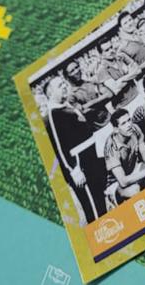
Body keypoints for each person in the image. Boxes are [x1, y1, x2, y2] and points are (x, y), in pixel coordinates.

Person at [43, 77, 106, 223]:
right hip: (80, 168)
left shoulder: (67, 107)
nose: (65, 86)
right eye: (60, 86)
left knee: (100, 202)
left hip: (91, 162)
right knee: (94, 210)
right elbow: (59, 147)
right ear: (51, 93)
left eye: (64, 83)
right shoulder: (53, 115)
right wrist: (73, 170)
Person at [105, 109, 145, 203]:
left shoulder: (134, 129)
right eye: (123, 123)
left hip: (133, 171)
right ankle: (113, 199)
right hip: (116, 182)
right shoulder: (111, 147)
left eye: (129, 120)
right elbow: (123, 181)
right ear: (116, 129)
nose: (129, 125)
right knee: (134, 190)